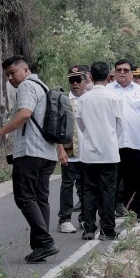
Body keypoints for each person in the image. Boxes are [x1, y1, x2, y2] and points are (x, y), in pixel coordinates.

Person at [0, 55, 60, 263]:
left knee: (24, 197)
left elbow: (25, 113)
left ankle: (45, 242)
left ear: (26, 70)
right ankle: (40, 246)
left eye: (13, 73)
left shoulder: (26, 86)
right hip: (47, 153)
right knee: (40, 198)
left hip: (30, 152)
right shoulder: (44, 87)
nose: (10, 78)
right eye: (7, 75)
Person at [78, 61, 124, 241]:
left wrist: (91, 135)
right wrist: (111, 139)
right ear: (108, 77)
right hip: (109, 152)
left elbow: (80, 124)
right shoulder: (114, 98)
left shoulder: (84, 99)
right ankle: (107, 230)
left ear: (90, 77)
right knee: (108, 191)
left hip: (89, 153)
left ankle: (89, 229)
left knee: (89, 191)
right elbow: (120, 126)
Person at [107, 59, 140, 221]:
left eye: (126, 70)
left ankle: (138, 214)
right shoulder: (107, 91)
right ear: (114, 72)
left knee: (137, 181)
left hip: (136, 143)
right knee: (112, 182)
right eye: (119, 70)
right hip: (113, 145)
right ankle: (108, 216)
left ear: (132, 73)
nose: (122, 73)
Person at [56, 64, 90, 233]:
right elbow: (57, 127)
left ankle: (85, 218)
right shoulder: (63, 101)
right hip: (70, 152)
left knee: (86, 187)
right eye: (72, 80)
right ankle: (65, 219)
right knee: (67, 186)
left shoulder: (90, 99)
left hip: (88, 153)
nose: (75, 83)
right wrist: (60, 150)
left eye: (78, 80)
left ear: (85, 81)